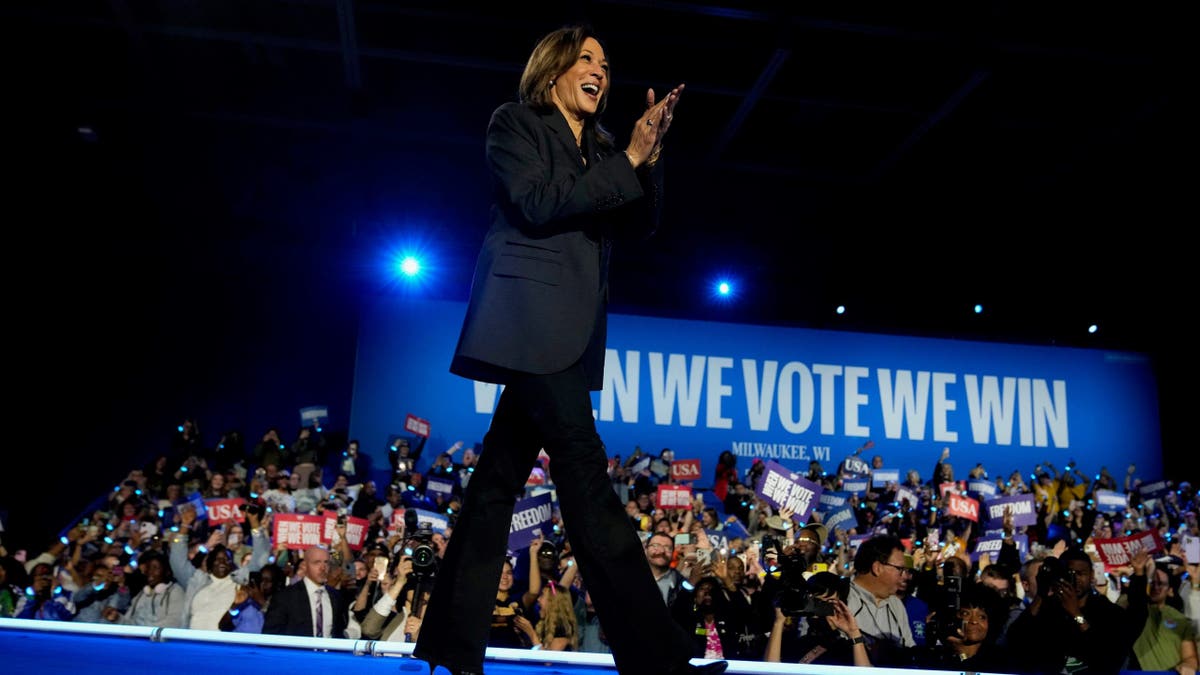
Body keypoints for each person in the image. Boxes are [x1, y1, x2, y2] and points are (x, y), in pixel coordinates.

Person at [411, 24, 709, 675]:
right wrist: (625, 161)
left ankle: (448, 644)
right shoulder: (515, 123)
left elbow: (639, 223)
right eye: (587, 58)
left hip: (569, 333)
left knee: (495, 487)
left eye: (606, 60)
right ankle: (654, 655)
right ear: (553, 68)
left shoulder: (602, 145)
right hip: (528, 321)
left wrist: (648, 154)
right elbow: (538, 204)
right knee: (585, 475)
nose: (601, 68)